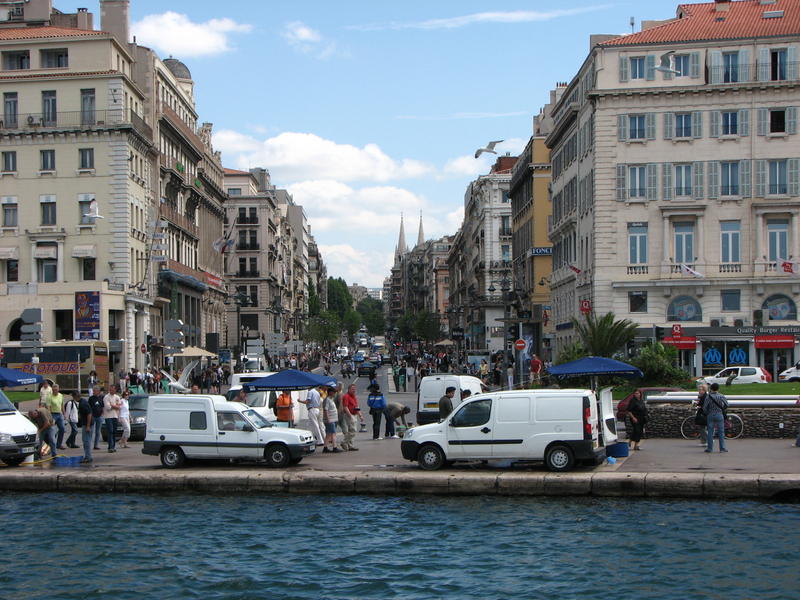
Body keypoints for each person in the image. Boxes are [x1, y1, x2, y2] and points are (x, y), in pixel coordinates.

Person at [703, 383, 728, 453]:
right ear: (718, 389)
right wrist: (722, 409)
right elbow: (727, 404)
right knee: (721, 432)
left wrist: (707, 412)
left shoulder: (708, 397)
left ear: (711, 388)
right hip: (719, 414)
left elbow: (704, 407)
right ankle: (722, 448)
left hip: (710, 415)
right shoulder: (721, 396)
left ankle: (710, 448)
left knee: (710, 432)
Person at [340, 384, 361, 451]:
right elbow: (345, 407)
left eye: (354, 389)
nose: (354, 390)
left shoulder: (354, 396)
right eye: (352, 389)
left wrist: (360, 415)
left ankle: (350, 445)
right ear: (349, 389)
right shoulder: (346, 396)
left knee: (351, 430)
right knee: (353, 430)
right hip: (349, 415)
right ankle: (344, 442)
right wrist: (350, 416)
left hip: (354, 414)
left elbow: (356, 406)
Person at [45, 384, 66, 449]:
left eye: (56, 389)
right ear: (52, 390)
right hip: (52, 414)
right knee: (52, 430)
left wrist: (64, 414)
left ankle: (59, 444)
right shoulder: (49, 397)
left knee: (62, 429)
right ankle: (51, 444)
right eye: (54, 390)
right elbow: (48, 407)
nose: (55, 391)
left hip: (59, 414)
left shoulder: (61, 395)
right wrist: (50, 417)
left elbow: (62, 405)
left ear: (58, 389)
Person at [322, 386, 341, 453]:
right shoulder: (327, 400)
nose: (335, 393)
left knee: (328, 434)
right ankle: (334, 447)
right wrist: (328, 419)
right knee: (333, 433)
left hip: (333, 419)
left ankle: (325, 447)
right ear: (330, 392)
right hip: (330, 420)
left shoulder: (331, 399)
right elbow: (325, 410)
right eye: (334, 392)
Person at [102, 385, 121, 453]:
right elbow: (107, 407)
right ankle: (110, 447)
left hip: (115, 416)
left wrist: (112, 405)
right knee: (110, 431)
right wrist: (115, 406)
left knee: (114, 432)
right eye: (110, 389)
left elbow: (119, 406)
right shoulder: (106, 397)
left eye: (113, 389)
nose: (111, 391)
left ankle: (113, 446)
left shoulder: (117, 397)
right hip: (108, 417)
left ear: (115, 390)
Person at [77, 391, 93, 463]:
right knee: (86, 440)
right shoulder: (82, 401)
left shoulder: (82, 404)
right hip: (86, 424)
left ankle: (88, 457)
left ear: (75, 397)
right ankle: (88, 456)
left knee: (86, 441)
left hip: (87, 424)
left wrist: (88, 426)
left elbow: (89, 414)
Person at [88, 386, 105, 450]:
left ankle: (96, 445)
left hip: (99, 417)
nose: (93, 392)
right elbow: (88, 407)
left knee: (98, 432)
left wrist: (102, 414)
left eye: (94, 391)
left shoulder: (101, 398)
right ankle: (89, 444)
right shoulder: (91, 398)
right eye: (93, 391)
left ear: (98, 391)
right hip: (93, 416)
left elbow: (103, 406)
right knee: (91, 431)